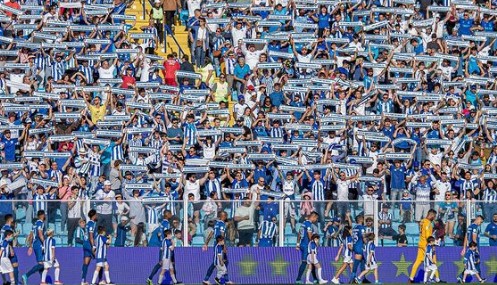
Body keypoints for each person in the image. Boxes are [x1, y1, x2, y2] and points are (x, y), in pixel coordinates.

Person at [409, 209, 438, 283]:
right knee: (433, 260)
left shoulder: (422, 221)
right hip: (426, 245)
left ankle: (411, 278)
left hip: (421, 244)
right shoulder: (428, 223)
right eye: (434, 216)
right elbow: (428, 237)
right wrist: (432, 245)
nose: (434, 218)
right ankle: (437, 279)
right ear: (431, 215)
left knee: (418, 261)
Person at [22, 210, 46, 285]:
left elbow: (31, 235)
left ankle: (42, 282)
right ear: (42, 215)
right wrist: (45, 243)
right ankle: (26, 275)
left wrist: (30, 246)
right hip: (39, 244)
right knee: (41, 264)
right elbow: (40, 234)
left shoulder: (34, 224)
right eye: (44, 215)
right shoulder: (40, 223)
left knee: (41, 264)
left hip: (35, 244)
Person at [296, 211, 319, 284]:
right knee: (305, 262)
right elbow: (309, 235)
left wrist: (297, 244)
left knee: (311, 262)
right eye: (316, 218)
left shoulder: (303, 224)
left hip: (302, 244)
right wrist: (314, 242)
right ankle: (298, 279)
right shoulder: (309, 224)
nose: (316, 220)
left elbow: (299, 234)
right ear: (313, 217)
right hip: (306, 245)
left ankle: (315, 279)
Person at [82, 209, 98, 285]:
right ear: (94, 215)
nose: (97, 216)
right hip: (89, 245)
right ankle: (99, 280)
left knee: (86, 263)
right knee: (101, 260)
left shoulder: (88, 224)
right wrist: (93, 246)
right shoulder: (91, 224)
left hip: (85, 244)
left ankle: (83, 280)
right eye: (96, 215)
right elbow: (91, 236)